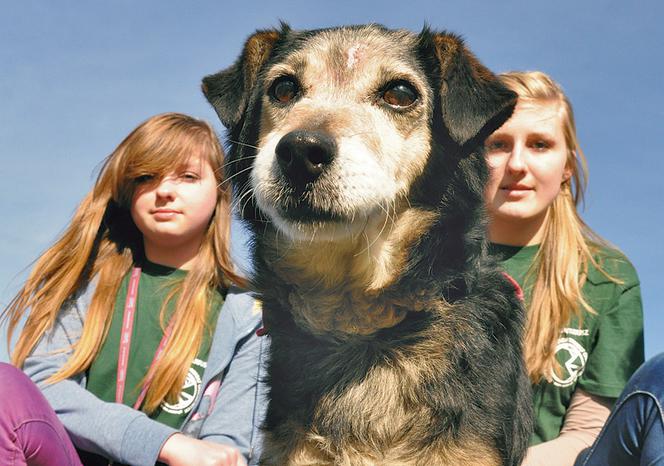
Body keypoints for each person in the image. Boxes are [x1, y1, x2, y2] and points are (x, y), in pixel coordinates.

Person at [0, 113, 266, 466]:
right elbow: (46, 387)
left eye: (188, 176)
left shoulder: (249, 317)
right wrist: (163, 442)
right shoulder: (89, 288)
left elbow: (227, 449)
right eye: (147, 177)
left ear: (219, 192)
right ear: (129, 193)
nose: (165, 191)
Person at [483, 71, 645, 465]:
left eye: (540, 145)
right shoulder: (420, 263)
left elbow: (589, 434)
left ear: (567, 166)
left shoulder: (607, 277)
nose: (517, 164)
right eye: (499, 144)